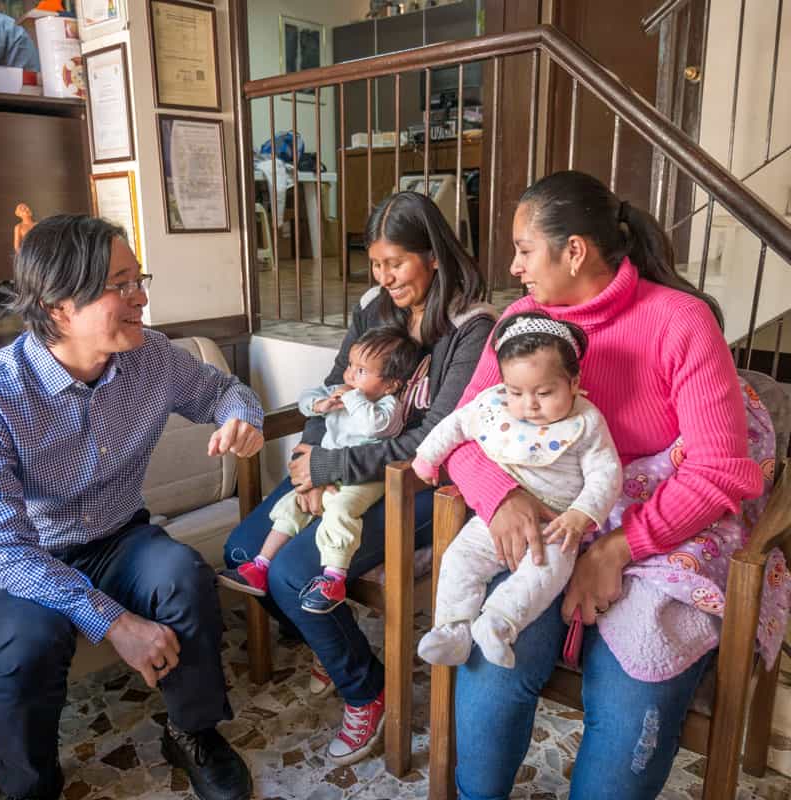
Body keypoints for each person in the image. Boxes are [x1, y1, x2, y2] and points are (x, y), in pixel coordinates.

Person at [444, 171, 789, 800]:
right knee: (494, 664)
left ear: (574, 250)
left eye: (524, 248)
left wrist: (614, 548)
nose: (514, 266)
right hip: (550, 515)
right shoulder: (520, 322)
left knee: (635, 692)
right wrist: (502, 496)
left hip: (661, 527)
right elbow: (464, 431)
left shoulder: (681, 321)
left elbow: (717, 469)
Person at [0, 215, 264, 800]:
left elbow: (222, 389)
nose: (141, 296)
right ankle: (30, 786)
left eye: (139, 278)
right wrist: (113, 622)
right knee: (23, 647)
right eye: (121, 284)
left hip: (118, 537)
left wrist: (244, 415)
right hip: (27, 558)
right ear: (59, 305)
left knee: (184, 576)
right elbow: (3, 547)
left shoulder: (152, 359)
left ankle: (192, 733)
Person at [224, 191, 496, 766]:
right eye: (375, 262)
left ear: (435, 256)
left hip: (418, 483)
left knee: (297, 573)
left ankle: (366, 693)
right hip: (344, 459)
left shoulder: (473, 328)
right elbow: (331, 388)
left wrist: (330, 469)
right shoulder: (375, 305)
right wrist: (310, 456)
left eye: (395, 261)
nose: (383, 275)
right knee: (244, 550)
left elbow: (434, 440)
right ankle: (345, 652)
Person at [413, 312, 622, 669]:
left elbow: (606, 472)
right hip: (495, 517)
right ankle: (453, 630)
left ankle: (498, 623)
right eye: (515, 392)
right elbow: (457, 424)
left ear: (573, 382)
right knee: (459, 559)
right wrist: (427, 457)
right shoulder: (493, 405)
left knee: (546, 571)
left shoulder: (586, 422)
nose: (529, 405)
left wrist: (581, 514)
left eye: (544, 392)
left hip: (556, 524)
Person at [219, 326, 419, 614]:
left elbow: (374, 426)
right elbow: (306, 401)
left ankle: (333, 578)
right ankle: (260, 566)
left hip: (364, 477)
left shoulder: (388, 406)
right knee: (291, 504)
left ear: (391, 385)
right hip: (326, 469)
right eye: (350, 365)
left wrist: (351, 398)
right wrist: (320, 403)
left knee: (340, 509)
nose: (350, 374)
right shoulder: (342, 392)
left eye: (361, 371)